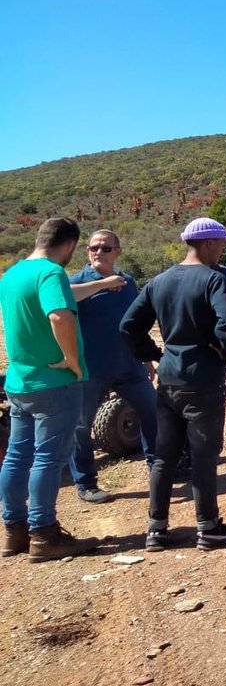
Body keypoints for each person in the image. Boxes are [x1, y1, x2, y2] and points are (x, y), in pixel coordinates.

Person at [120, 217, 226, 552]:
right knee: (204, 455)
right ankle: (208, 528)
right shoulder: (214, 279)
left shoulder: (159, 281)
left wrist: (155, 353)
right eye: (220, 243)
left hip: (169, 377)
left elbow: (129, 325)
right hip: (204, 379)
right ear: (206, 243)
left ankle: (156, 530)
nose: (221, 250)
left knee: (164, 455)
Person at [0, 217, 101, 561]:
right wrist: (72, 360)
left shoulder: (11, 274)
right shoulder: (51, 273)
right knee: (48, 458)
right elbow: (60, 315)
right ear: (70, 245)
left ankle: (14, 532)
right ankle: (44, 534)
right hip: (54, 384)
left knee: (17, 456)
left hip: (20, 382)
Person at [66, 229, 159, 502]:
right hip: (90, 369)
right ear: (87, 252)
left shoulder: (127, 282)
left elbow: (136, 324)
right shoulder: (77, 282)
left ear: (118, 252)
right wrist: (104, 284)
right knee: (81, 427)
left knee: (153, 412)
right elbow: (65, 297)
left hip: (129, 366)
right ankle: (86, 484)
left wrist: (145, 357)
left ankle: (159, 469)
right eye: (94, 248)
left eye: (106, 248)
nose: (99, 252)